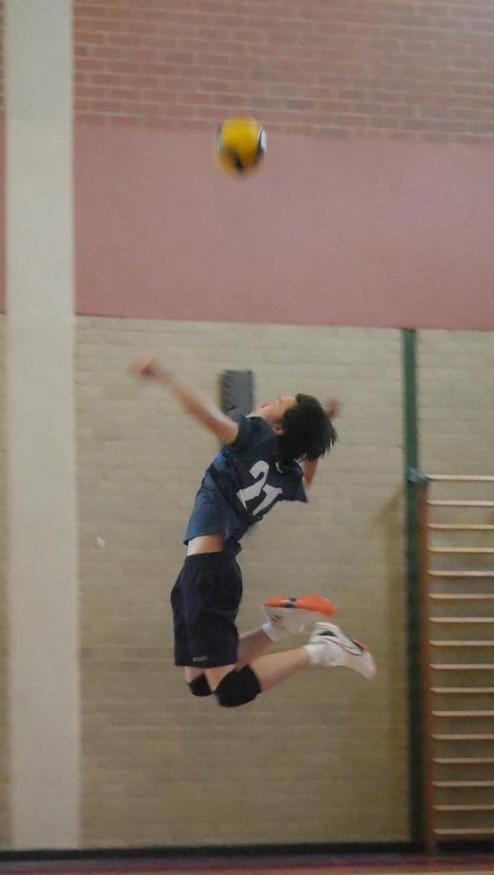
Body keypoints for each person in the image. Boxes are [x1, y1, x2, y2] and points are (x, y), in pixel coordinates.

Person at [129, 358, 376, 708]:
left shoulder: (254, 437)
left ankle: (324, 649)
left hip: (210, 572)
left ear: (279, 428)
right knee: (200, 682)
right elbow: (308, 478)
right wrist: (317, 436)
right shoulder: (285, 470)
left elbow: (208, 417)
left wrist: (166, 378)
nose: (268, 401)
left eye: (277, 402)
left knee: (229, 689)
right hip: (200, 571)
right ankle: (279, 627)